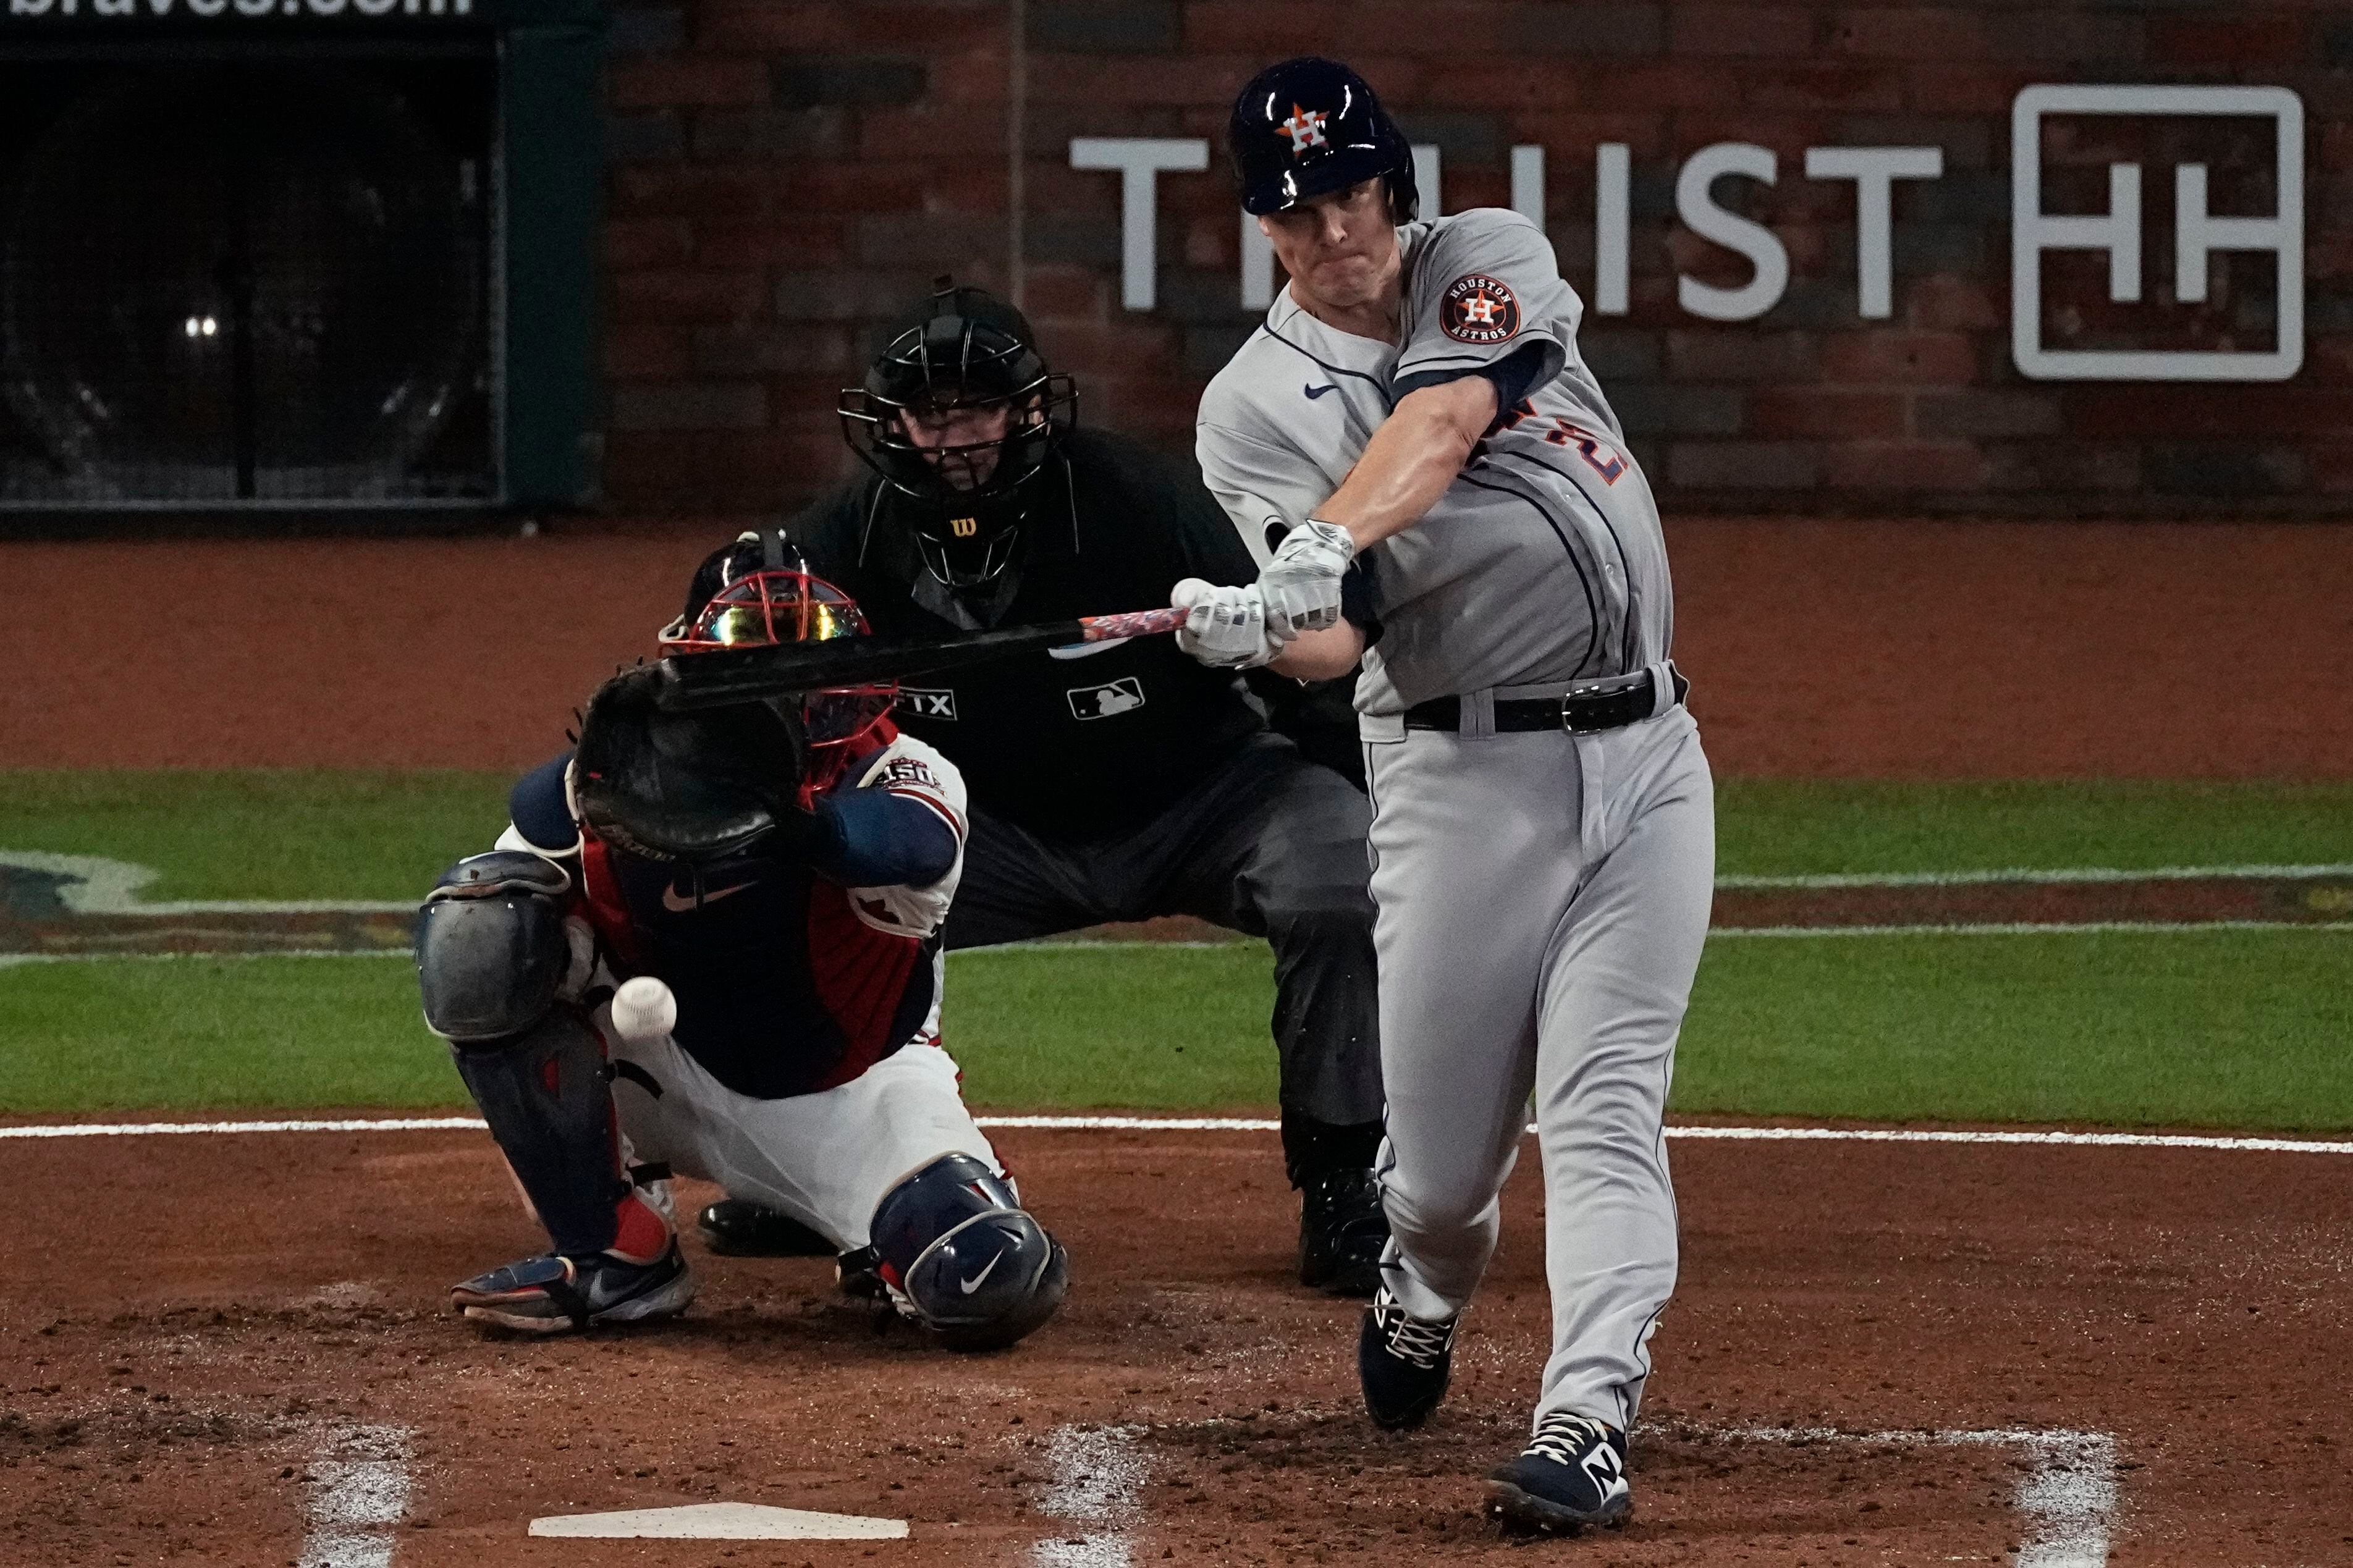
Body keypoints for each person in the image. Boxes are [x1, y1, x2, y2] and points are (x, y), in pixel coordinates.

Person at [1175, 57, 1716, 1533]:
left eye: (1352, 191)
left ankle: (1585, 1419)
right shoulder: (1249, 408)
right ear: (1259, 227)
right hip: (1460, 781)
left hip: (1649, 762)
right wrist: (1257, 627)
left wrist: (1319, 538)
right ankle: (1421, 1286)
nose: (1335, 229)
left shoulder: (1486, 258)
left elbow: (1447, 420)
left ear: (1393, 187)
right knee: (1437, 1183)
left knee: (1606, 1106)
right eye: (1297, 210)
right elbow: (1334, 641)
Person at [691, 279, 1392, 1296]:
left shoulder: (1139, 502)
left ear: (1029, 412)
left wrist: (1354, 773)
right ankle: (821, 1170)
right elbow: (759, 694)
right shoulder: (843, 542)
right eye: (930, 414)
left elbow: (1311, 657)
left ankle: (1343, 1181)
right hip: (989, 834)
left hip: (1203, 798)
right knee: (804, 894)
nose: (954, 437)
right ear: (890, 425)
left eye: (975, 409)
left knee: (1342, 876)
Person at [417, 533, 1067, 1350]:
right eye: (762, 660)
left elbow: (905, 846)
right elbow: (485, 902)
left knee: (990, 1278)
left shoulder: (900, 772)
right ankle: (614, 1249)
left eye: (806, 656)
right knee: (481, 931)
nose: (791, 687)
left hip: (846, 1094)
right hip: (654, 1071)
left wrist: (783, 813)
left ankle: (847, 1217)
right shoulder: (615, 781)